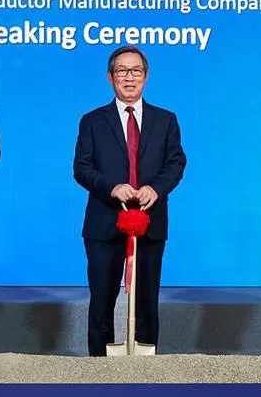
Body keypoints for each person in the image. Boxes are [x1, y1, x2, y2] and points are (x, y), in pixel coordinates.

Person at [74, 48, 186, 356]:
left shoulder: (166, 120)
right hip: (104, 222)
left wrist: (156, 189)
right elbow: (81, 168)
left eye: (136, 71)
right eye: (122, 71)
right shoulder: (93, 121)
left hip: (150, 222)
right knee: (101, 299)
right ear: (110, 77)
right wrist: (112, 188)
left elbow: (176, 163)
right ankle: (99, 367)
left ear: (146, 77)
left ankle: (145, 367)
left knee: (147, 298)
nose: (129, 78)